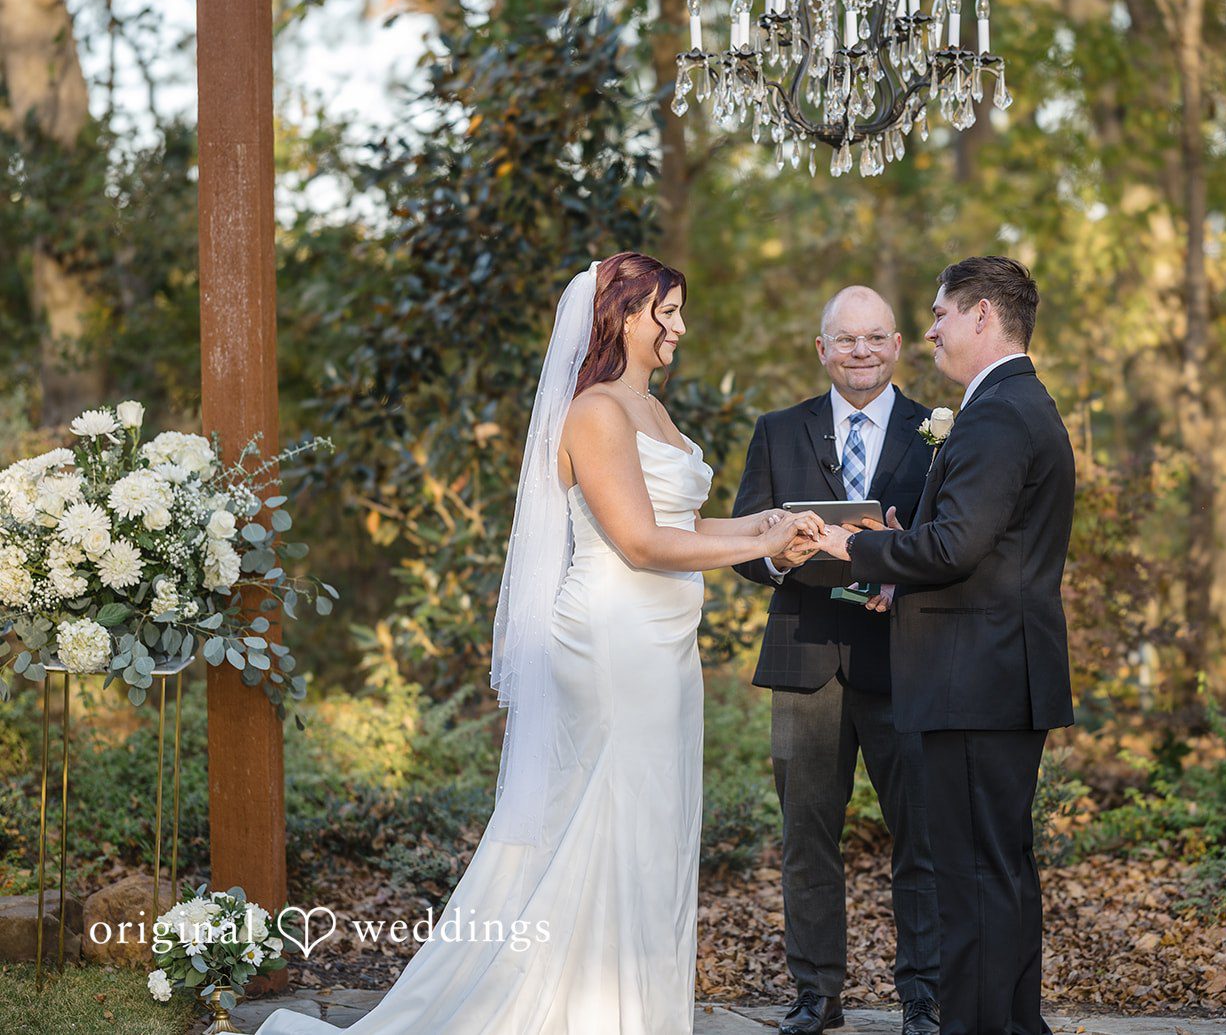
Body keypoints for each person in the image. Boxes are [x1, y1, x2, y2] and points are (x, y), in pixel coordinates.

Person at [254, 252, 822, 1035]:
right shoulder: (595, 412)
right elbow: (639, 540)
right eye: (669, 312)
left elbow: (686, 526)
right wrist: (752, 546)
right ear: (625, 314)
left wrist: (769, 532)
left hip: (663, 646)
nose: (681, 328)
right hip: (613, 638)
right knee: (611, 819)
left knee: (653, 822)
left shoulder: (652, 410)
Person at [814, 256, 1076, 1035]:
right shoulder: (1014, 403)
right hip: (990, 674)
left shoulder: (997, 413)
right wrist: (906, 557)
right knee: (994, 874)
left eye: (939, 314)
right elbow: (976, 546)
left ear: (983, 317)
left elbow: (958, 547)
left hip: (974, 681)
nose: (927, 329)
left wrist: (846, 547)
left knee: (971, 881)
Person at [731, 286, 940, 1035]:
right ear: (822, 349)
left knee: (920, 833)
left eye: (874, 337)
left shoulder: (938, 430)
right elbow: (743, 546)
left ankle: (924, 994)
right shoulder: (778, 431)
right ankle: (816, 995)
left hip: (907, 658)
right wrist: (781, 557)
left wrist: (897, 572)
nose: (860, 350)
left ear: (897, 346)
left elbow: (956, 539)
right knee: (806, 836)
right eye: (845, 339)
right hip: (805, 655)